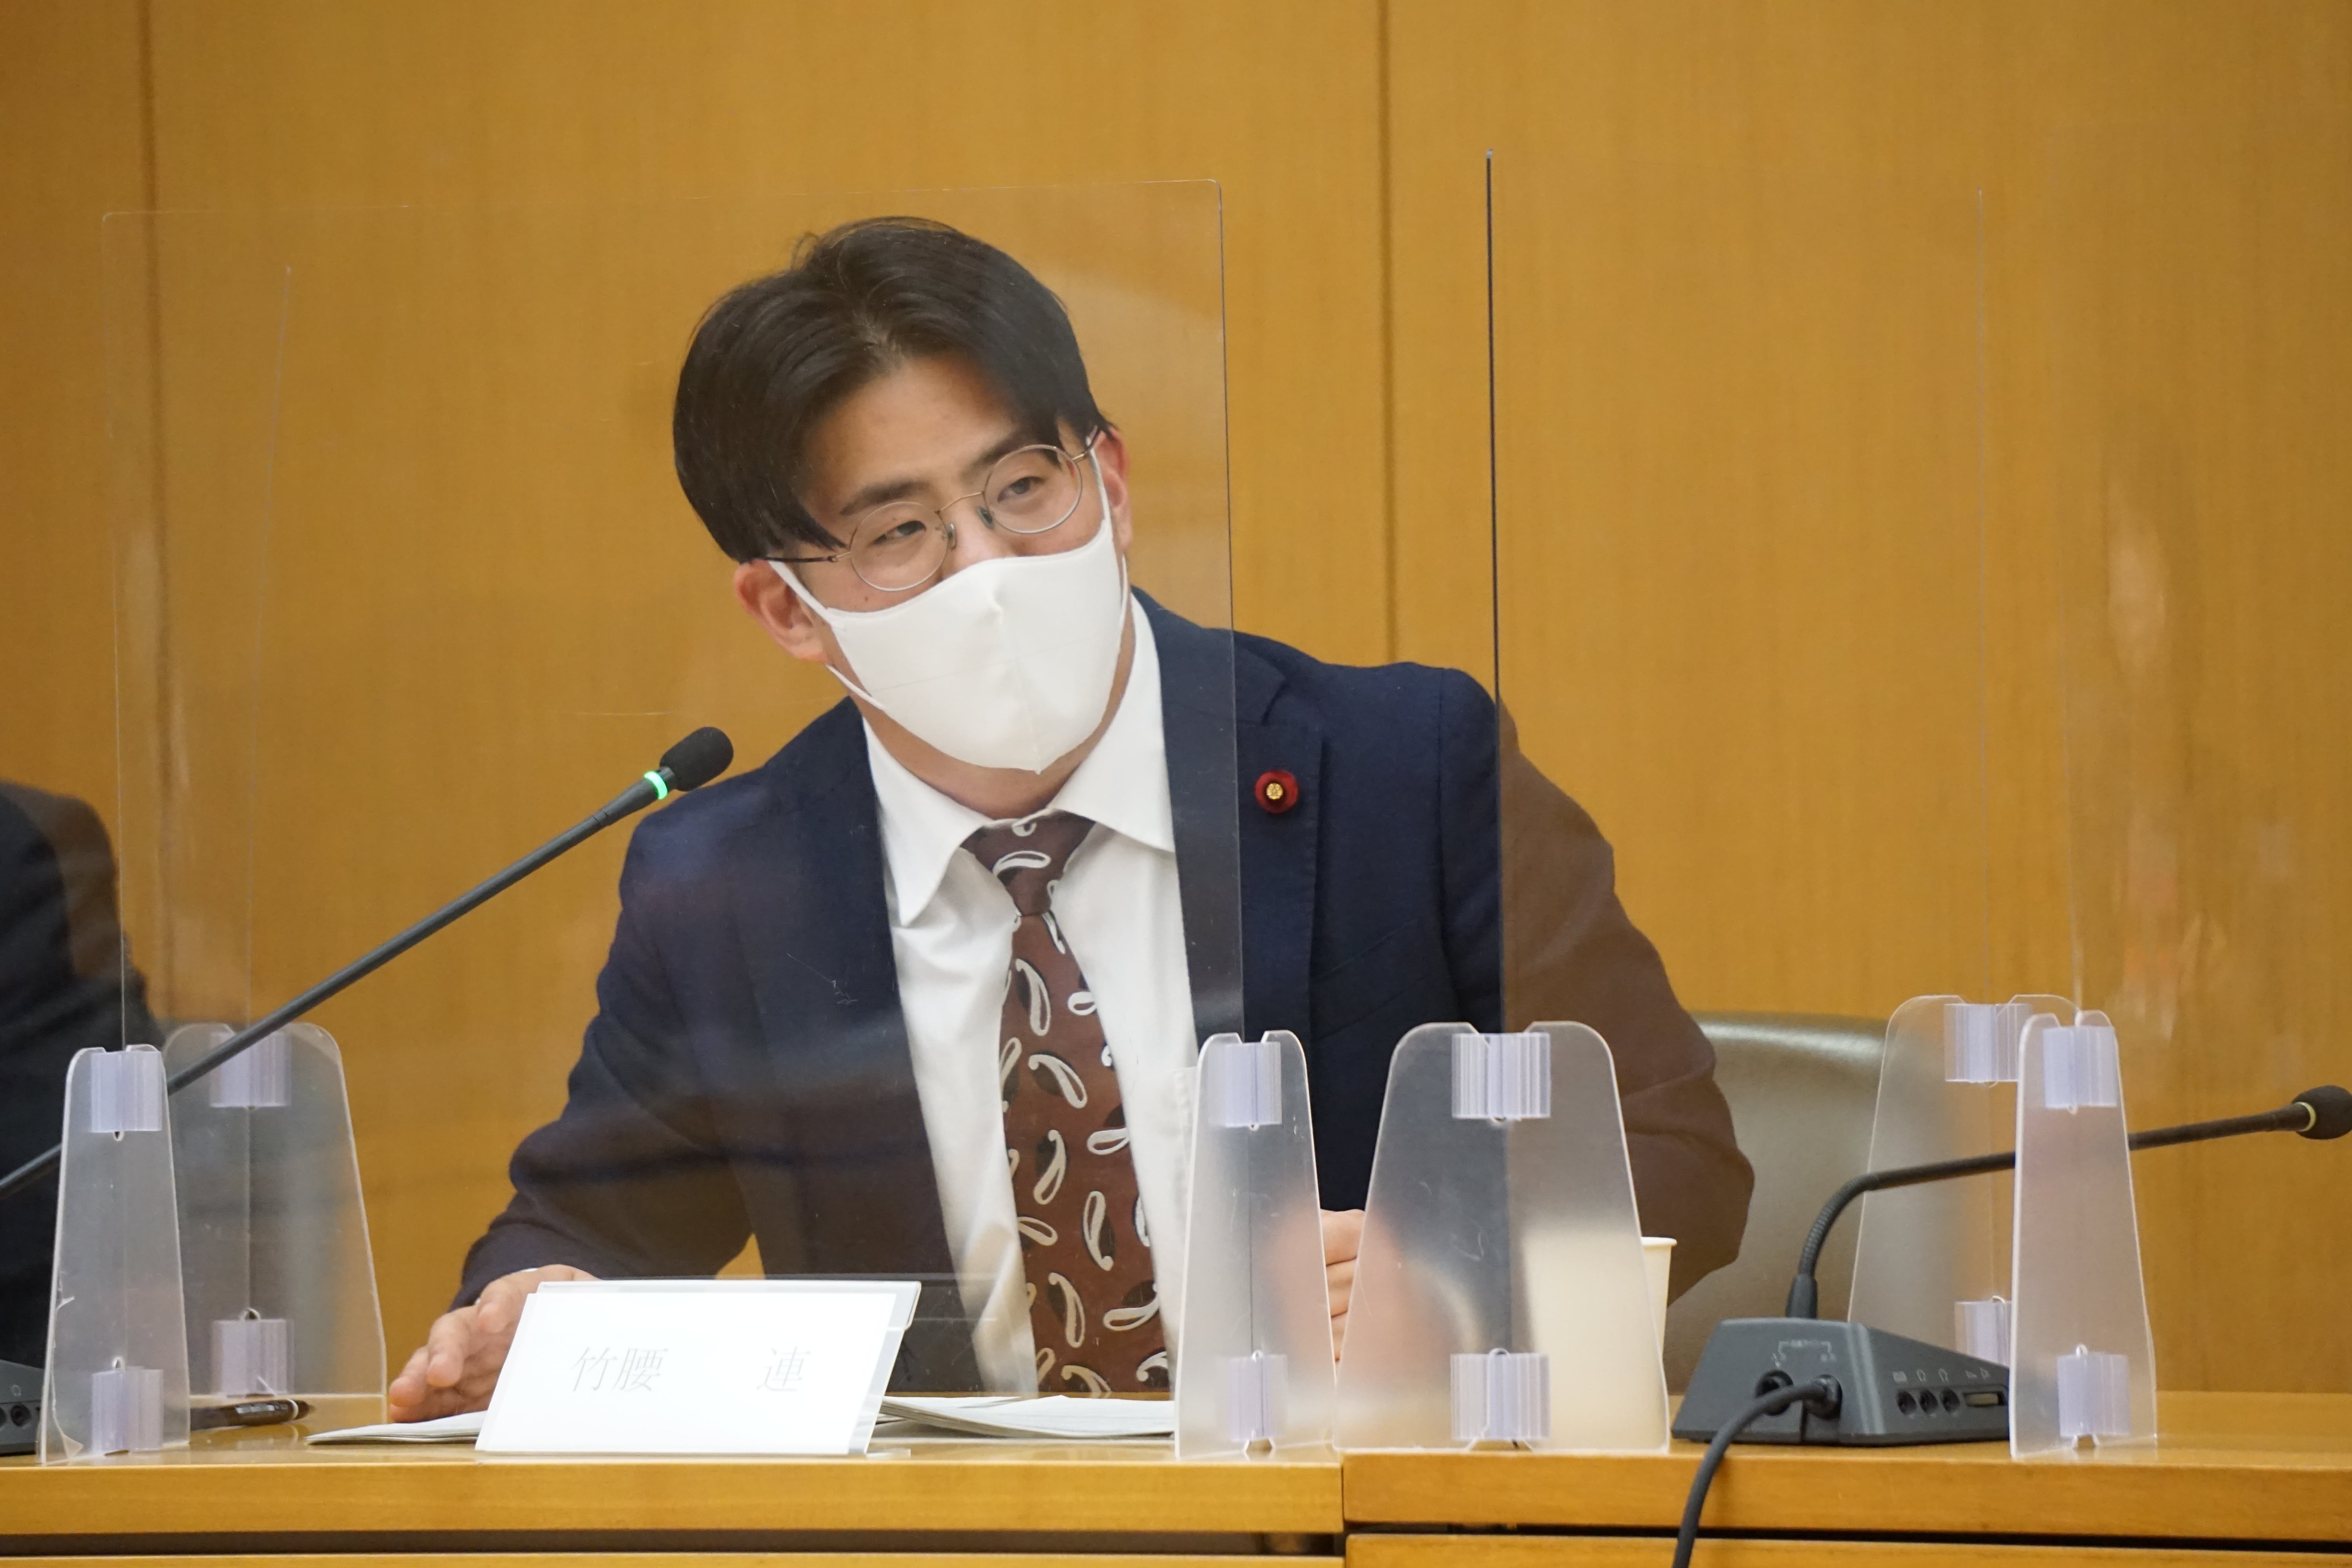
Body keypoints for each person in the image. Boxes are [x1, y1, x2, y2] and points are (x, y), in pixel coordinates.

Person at [390, 218, 1750, 1417]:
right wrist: (529, 1310)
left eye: (1022, 489)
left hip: (1355, 1523)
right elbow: (584, 1236)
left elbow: (1676, 1151)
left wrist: (1447, 1274)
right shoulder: (731, 883)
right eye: (900, 533)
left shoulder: (1400, 765)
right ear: (785, 610)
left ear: (1112, 483)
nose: (988, 564)